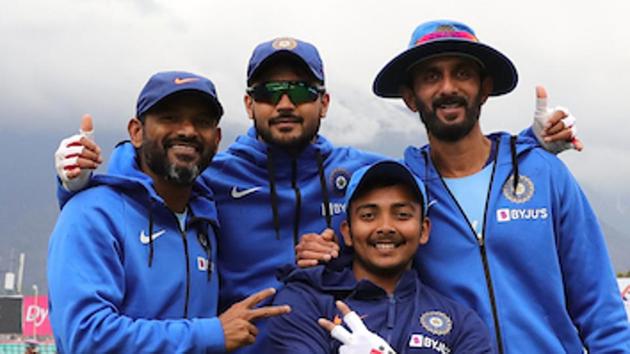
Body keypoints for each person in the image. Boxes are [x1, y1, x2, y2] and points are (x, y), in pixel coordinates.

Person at [53, 38, 578, 351]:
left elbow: (442, 169)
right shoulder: (212, 178)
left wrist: (527, 148)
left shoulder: (359, 170)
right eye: (269, 92)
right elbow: (153, 177)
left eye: (301, 91)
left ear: (324, 102)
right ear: (248, 104)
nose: (285, 103)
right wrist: (77, 178)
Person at [370, 20, 630, 353]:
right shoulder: (403, 193)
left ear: (485, 87)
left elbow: (599, 304)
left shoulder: (545, 174)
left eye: (462, 73)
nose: (448, 87)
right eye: (431, 76)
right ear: (410, 97)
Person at [48, 71, 290, 353]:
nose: (188, 130)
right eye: (170, 118)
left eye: (202, 121)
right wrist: (211, 334)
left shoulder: (205, 220)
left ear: (216, 139)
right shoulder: (91, 213)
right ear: (136, 132)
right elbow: (87, 336)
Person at [261, 160, 493, 353]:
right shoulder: (303, 302)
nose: (385, 227)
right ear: (347, 232)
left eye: (402, 215)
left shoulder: (460, 323)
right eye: (369, 215)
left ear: (423, 230)